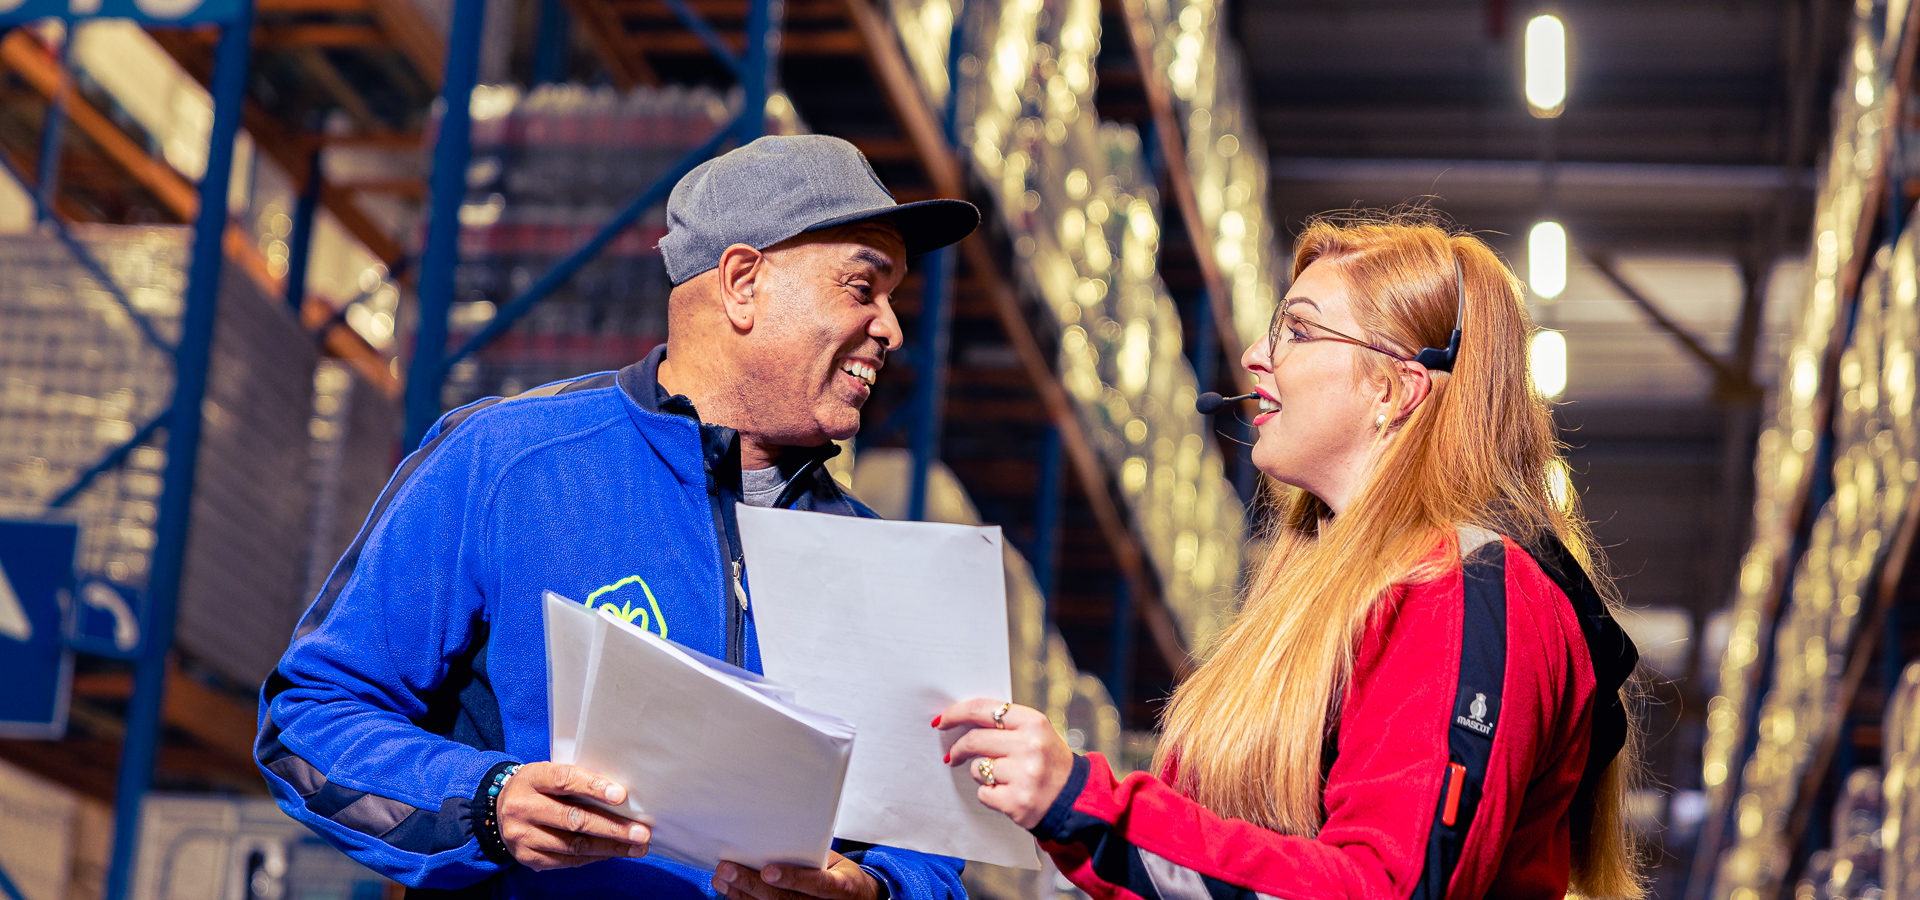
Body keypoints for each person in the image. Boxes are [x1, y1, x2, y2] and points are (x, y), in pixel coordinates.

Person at [257, 134, 980, 900]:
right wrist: (488, 804)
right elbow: (310, 722)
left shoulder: (879, 565)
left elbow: (926, 852)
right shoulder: (508, 462)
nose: (893, 330)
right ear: (742, 282)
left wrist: (876, 891)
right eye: (863, 288)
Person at [937, 212, 1645, 899]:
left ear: (1394, 389)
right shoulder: (1313, 595)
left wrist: (1087, 806)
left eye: (1299, 330)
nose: (1255, 355)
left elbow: (1385, 888)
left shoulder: (1462, 586)